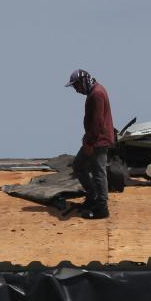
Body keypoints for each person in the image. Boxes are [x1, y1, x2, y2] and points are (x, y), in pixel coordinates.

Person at [66, 68, 115, 219]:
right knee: (79, 166)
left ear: (83, 82)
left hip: (98, 141)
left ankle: (102, 208)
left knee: (99, 173)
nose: (76, 90)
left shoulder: (97, 94)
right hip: (94, 139)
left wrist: (89, 143)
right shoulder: (95, 91)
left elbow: (98, 122)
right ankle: (93, 197)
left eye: (76, 86)